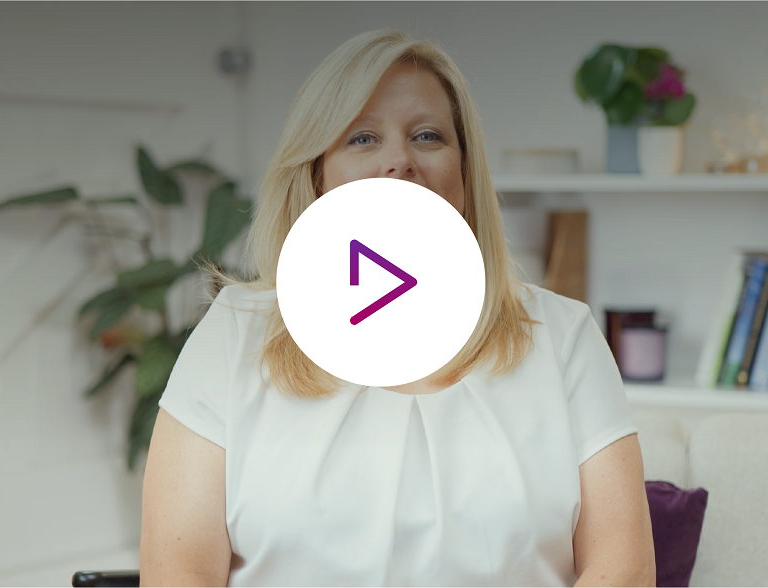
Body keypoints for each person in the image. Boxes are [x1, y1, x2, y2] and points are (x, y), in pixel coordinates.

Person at [140, 29, 655, 587]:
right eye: (362, 138)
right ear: (317, 175)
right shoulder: (234, 333)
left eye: (427, 136)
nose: (399, 161)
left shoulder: (564, 335)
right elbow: (178, 572)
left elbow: (623, 568)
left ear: (464, 173)